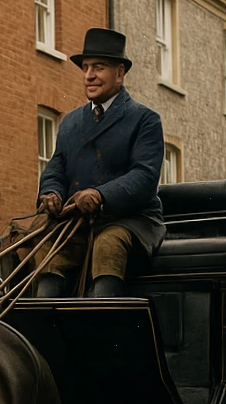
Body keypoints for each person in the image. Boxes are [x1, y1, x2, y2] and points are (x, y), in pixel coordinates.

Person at [33, 27, 166, 298]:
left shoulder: (144, 119)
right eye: (85, 68)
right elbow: (56, 166)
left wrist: (100, 194)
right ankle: (45, 324)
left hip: (129, 220)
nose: (89, 75)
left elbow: (144, 176)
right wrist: (51, 191)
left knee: (108, 245)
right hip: (77, 221)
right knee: (47, 246)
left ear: (120, 73)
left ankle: (101, 325)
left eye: (99, 67)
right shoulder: (70, 122)